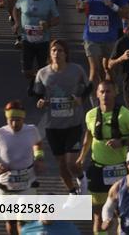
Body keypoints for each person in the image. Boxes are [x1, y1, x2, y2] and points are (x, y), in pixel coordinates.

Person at [75, 80, 129, 235]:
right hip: (98, 170)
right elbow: (88, 135)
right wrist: (82, 156)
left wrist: (122, 142)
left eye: (108, 92)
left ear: (115, 93)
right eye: (102, 92)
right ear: (97, 94)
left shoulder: (125, 115)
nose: (105, 95)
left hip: (120, 170)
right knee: (98, 216)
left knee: (121, 215)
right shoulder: (90, 115)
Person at [0, 101, 44, 234]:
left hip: (27, 183)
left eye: (18, 120)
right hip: (6, 185)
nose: (14, 124)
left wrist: (38, 158)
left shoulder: (31, 130)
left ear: (23, 118)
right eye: (11, 120)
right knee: (11, 222)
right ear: (6, 119)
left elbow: (38, 143)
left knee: (24, 221)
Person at [33, 39, 88, 193]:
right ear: (50, 54)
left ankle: (82, 179)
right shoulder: (43, 73)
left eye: (60, 50)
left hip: (73, 124)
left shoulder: (76, 70)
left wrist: (80, 99)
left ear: (66, 54)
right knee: (62, 164)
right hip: (53, 126)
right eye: (54, 50)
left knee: (71, 162)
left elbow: (88, 87)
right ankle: (72, 191)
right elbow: (36, 94)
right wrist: (40, 102)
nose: (57, 53)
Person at [78, 0, 128, 85]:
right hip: (91, 36)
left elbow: (127, 13)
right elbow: (79, 6)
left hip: (110, 37)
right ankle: (94, 103)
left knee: (108, 69)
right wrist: (80, 7)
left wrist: (113, 6)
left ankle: (109, 94)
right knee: (94, 71)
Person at [13, 0, 60, 88]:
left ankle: (38, 88)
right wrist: (17, 22)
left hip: (43, 40)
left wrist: (48, 24)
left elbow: (57, 19)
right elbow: (15, 9)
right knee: (26, 71)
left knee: (43, 68)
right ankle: (35, 80)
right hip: (26, 40)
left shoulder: (49, 1)